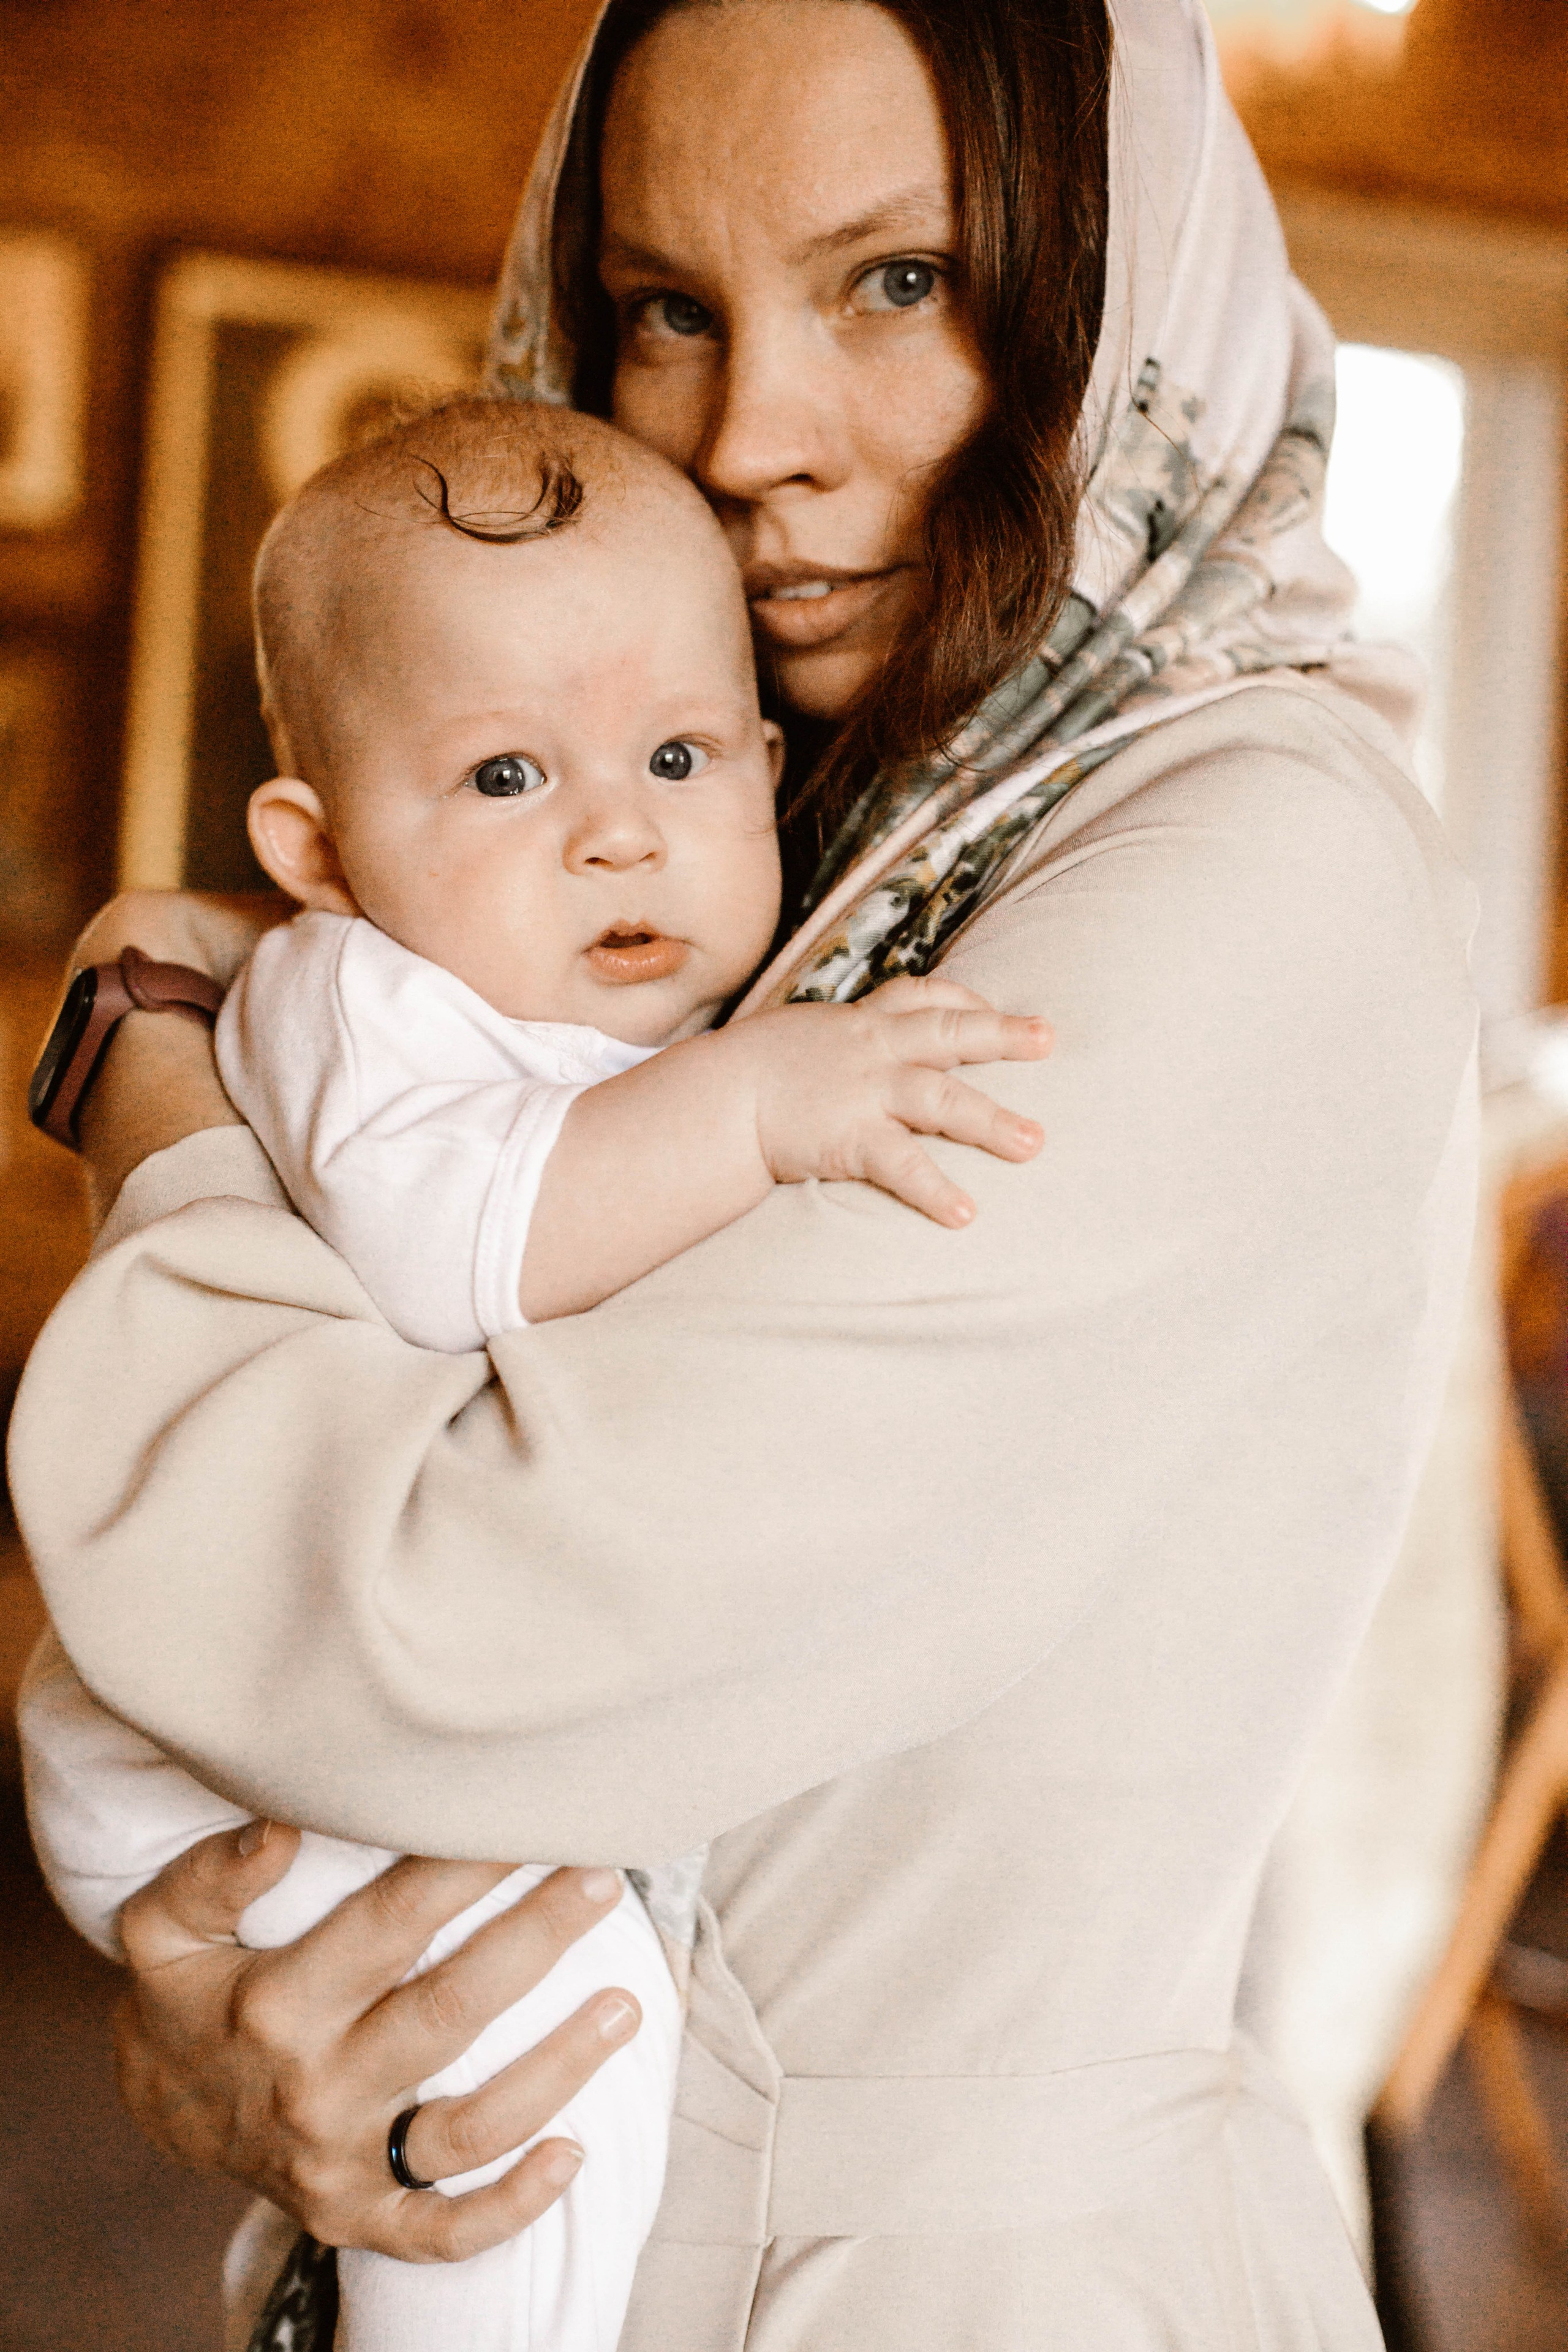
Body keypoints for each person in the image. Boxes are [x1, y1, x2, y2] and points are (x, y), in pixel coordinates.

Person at [9, 1, 1478, 2346]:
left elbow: (440, 1620)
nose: (745, 440)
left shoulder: (1248, 858)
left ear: (1119, 285)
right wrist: (264, 2033)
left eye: (900, 281)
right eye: (666, 307)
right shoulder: (769, 821)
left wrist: (156, 1092)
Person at [20, 394, 1047, 2352]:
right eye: (506, 773)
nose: (617, 828)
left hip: (334, 1707)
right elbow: (446, 1243)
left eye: (679, 756)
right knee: (550, 2047)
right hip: (222, 1739)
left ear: (764, 769)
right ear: (320, 853)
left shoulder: (601, 1005)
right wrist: (756, 1112)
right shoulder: (364, 1001)